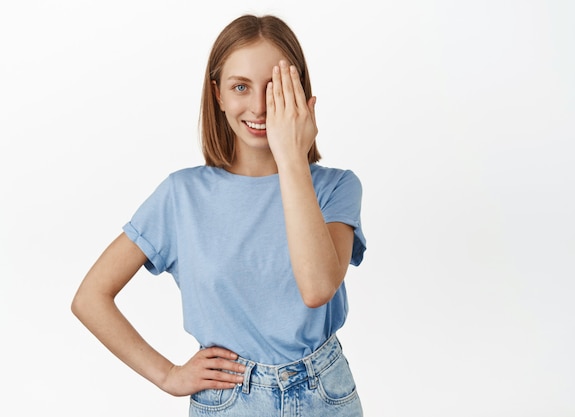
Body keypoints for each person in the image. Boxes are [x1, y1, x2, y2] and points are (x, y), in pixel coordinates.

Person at [71, 13, 366, 417]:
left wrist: (292, 158)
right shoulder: (181, 195)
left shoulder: (337, 187)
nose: (260, 105)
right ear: (218, 96)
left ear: (301, 95)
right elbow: (90, 298)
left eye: (277, 88)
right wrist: (168, 375)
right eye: (241, 86)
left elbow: (316, 289)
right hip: (229, 400)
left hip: (324, 394)